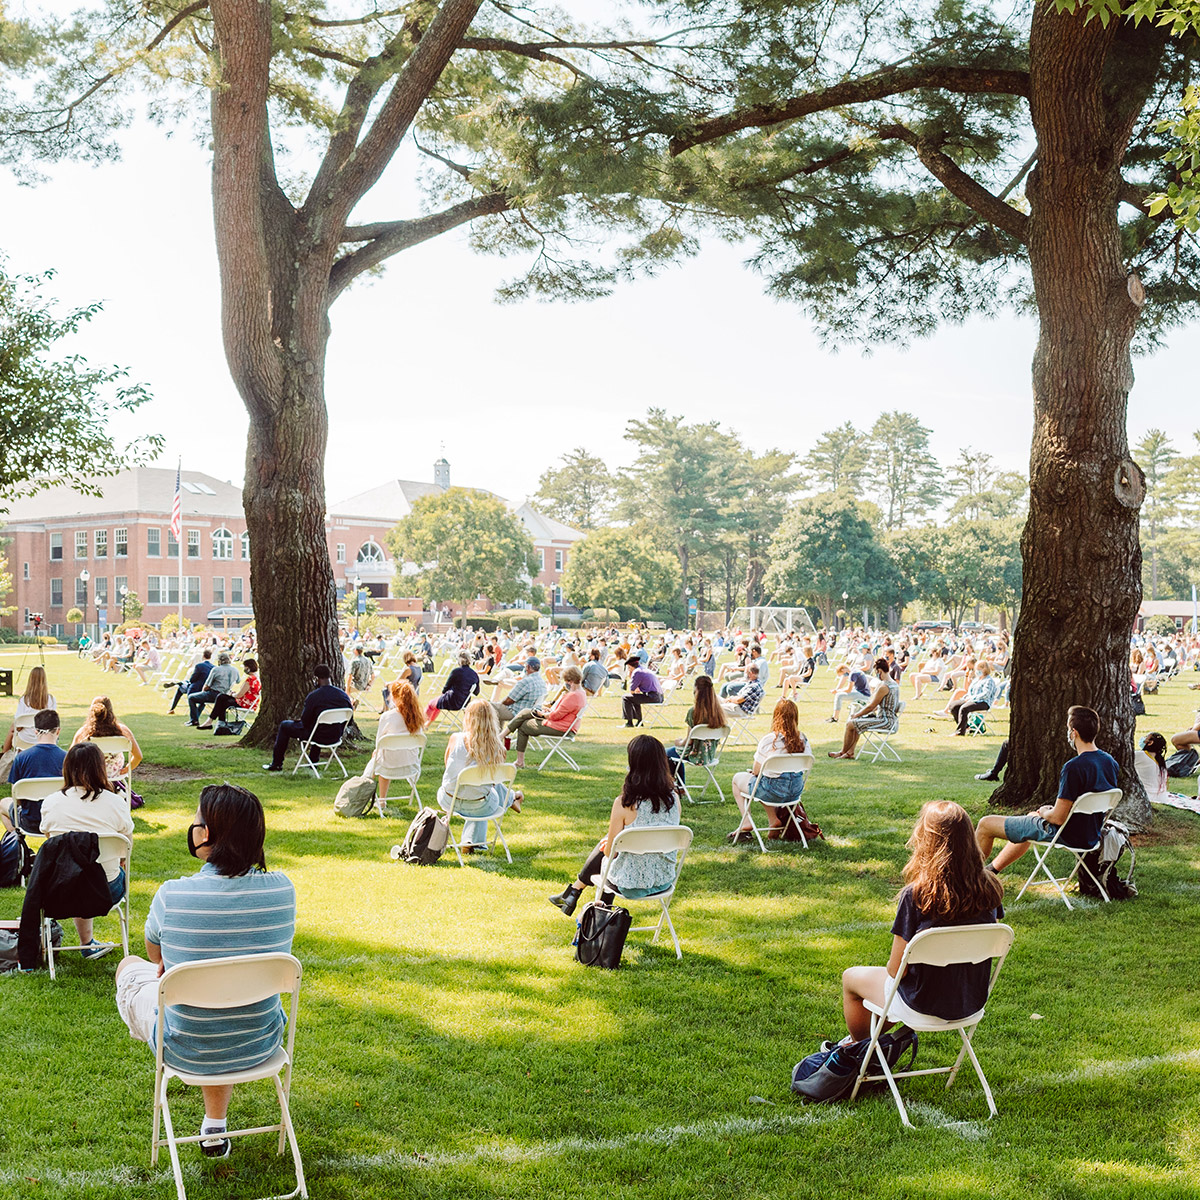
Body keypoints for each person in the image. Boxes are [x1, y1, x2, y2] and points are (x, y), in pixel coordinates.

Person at [114, 784, 296, 1159]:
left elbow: (155, 955)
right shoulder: (284, 890)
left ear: (207, 834)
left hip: (185, 1048)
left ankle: (213, 1122)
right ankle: (215, 1126)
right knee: (222, 996)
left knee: (131, 966)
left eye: (196, 820)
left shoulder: (172, 895)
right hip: (259, 1041)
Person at [838, 801, 1004, 1041]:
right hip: (970, 1002)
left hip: (922, 1003)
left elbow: (896, 971)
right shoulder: (991, 888)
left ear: (926, 842)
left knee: (852, 978)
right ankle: (870, 1047)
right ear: (970, 839)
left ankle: (859, 1050)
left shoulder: (917, 895)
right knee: (893, 993)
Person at [974, 705, 1117, 874]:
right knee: (1030, 818)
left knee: (985, 824)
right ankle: (991, 871)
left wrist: (1044, 811)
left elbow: (1058, 818)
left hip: (1066, 834)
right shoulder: (1109, 762)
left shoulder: (1074, 767)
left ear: (1074, 733)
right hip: (1090, 835)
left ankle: (970, 878)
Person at [547, 735, 681, 916]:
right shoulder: (674, 800)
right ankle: (572, 893)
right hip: (664, 880)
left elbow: (610, 853)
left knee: (606, 853)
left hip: (630, 884)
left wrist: (611, 844)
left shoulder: (625, 803)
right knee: (612, 845)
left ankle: (580, 902)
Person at [38, 742, 134, 961]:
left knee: (78, 872)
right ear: (100, 768)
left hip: (61, 890)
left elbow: (50, 843)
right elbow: (126, 847)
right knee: (94, 873)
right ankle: (87, 944)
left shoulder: (51, 803)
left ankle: (87, 944)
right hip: (107, 890)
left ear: (67, 768)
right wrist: (121, 866)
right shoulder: (116, 803)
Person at [438, 700, 522, 850]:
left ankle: (470, 841)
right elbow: (494, 782)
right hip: (479, 804)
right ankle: (512, 798)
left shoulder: (455, 738)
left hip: (449, 799)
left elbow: (448, 769)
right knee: (486, 793)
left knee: (480, 790)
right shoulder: (499, 748)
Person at [729, 698, 810, 842]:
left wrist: (755, 773)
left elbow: (756, 770)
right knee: (764, 781)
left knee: (738, 779)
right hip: (794, 793)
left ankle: (746, 821)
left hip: (772, 791)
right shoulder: (803, 739)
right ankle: (773, 820)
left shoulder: (770, 740)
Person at [262, 664, 352, 772]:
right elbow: (349, 720)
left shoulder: (314, 696)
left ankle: (277, 763)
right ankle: (313, 761)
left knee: (285, 726)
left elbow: (305, 721)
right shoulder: (343, 695)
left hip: (317, 735)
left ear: (316, 678)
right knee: (319, 726)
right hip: (335, 736)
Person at [506, 666, 586, 768]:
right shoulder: (581, 693)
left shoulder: (572, 696)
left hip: (560, 727)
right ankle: (504, 736)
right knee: (526, 712)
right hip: (567, 726)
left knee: (523, 726)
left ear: (570, 681)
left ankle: (519, 760)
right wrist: (548, 711)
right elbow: (562, 712)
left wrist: (542, 714)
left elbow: (555, 716)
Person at [5, 709, 67, 833]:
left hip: (30, 821)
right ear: (58, 731)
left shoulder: (22, 758)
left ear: (35, 731)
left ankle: (20, 845)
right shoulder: (68, 758)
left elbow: (16, 796)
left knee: (3, 803)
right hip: (59, 819)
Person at [828, 658, 899, 761]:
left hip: (885, 721)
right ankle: (850, 752)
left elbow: (871, 706)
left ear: (879, 671)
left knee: (850, 723)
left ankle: (844, 752)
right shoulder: (894, 684)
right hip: (890, 719)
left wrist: (857, 714)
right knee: (856, 723)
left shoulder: (884, 686)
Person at [665, 675, 727, 787]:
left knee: (666, 753)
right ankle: (679, 786)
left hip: (695, 755)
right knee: (675, 755)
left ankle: (677, 786)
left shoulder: (694, 712)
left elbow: (689, 742)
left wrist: (678, 742)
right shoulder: (718, 712)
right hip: (710, 756)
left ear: (696, 690)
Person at [72, 697, 143, 793]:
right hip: (114, 773)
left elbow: (71, 757)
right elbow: (138, 756)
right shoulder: (123, 730)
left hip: (90, 773)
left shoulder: (83, 732)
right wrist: (127, 769)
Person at [369, 680, 426, 800]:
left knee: (378, 757)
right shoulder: (418, 717)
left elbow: (379, 743)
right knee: (384, 755)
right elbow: (419, 739)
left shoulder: (387, 717)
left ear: (395, 697)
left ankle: (380, 799)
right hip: (411, 764)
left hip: (389, 765)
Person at [2, 666, 56, 755]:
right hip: (45, 739)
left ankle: (4, 755)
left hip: (25, 739)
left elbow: (18, 726)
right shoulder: (51, 700)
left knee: (13, 728)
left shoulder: (24, 700)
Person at [198, 659, 261, 731]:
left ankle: (213, 722)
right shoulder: (257, 678)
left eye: (244, 667)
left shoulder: (250, 679)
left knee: (221, 698)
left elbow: (239, 695)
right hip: (250, 703)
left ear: (248, 668)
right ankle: (218, 723)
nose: (244, 669)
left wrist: (231, 694)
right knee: (222, 699)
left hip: (245, 703)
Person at [425, 652, 480, 727]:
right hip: (465, 702)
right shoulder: (474, 674)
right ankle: (426, 724)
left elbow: (445, 688)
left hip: (452, 700)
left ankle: (425, 723)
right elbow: (476, 692)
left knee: (432, 703)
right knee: (437, 702)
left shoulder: (456, 671)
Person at [186, 652, 241, 726]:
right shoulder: (235, 670)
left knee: (191, 697)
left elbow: (207, 685)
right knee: (201, 697)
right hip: (226, 695)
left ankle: (194, 720)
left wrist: (204, 690)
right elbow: (238, 681)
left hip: (214, 694)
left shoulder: (216, 669)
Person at [490, 656, 546, 727]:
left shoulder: (525, 681)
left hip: (517, 713)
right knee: (499, 709)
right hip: (530, 712)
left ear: (527, 667)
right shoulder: (542, 682)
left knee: (488, 706)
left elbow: (508, 701)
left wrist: (499, 704)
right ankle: (498, 735)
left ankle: (489, 735)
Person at [949, 661, 999, 735]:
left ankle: (960, 732)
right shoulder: (976, 680)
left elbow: (986, 694)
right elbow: (970, 691)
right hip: (973, 700)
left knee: (964, 708)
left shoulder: (989, 680)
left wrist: (972, 698)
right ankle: (966, 727)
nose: (977, 671)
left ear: (984, 669)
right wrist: (966, 697)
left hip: (983, 702)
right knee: (953, 706)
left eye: (979, 669)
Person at [168, 649, 213, 715]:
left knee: (180, 689)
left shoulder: (199, 666)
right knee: (185, 684)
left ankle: (172, 708)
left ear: (203, 656)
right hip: (206, 690)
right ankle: (181, 683)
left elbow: (192, 679)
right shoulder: (213, 667)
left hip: (195, 689)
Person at [623, 660, 664, 726]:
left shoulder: (637, 672)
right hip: (659, 696)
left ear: (630, 666)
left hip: (653, 697)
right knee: (634, 697)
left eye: (629, 668)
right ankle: (639, 721)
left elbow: (632, 690)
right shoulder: (643, 669)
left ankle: (629, 722)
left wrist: (630, 676)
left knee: (626, 697)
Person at [1135, 731, 1171, 804]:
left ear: (1150, 742)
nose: (1143, 739)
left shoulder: (1140, 755)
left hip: (1146, 796)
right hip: (1162, 798)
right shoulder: (1160, 761)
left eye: (1146, 737)